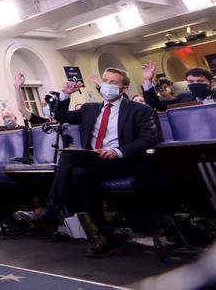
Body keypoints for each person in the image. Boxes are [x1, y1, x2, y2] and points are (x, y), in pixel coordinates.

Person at [15, 68, 157, 258]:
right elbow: (61, 117)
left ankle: (50, 211)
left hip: (122, 162)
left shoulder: (139, 109)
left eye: (113, 82)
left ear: (124, 87)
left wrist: (116, 151)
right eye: (105, 80)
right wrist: (65, 95)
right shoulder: (90, 109)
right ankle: (105, 236)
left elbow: (148, 140)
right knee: (78, 175)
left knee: (69, 156)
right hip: (96, 161)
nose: (107, 84)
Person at [141, 61, 216, 111]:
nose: (195, 84)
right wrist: (148, 80)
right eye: (191, 81)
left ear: (211, 82)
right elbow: (156, 105)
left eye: (200, 81)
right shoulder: (183, 98)